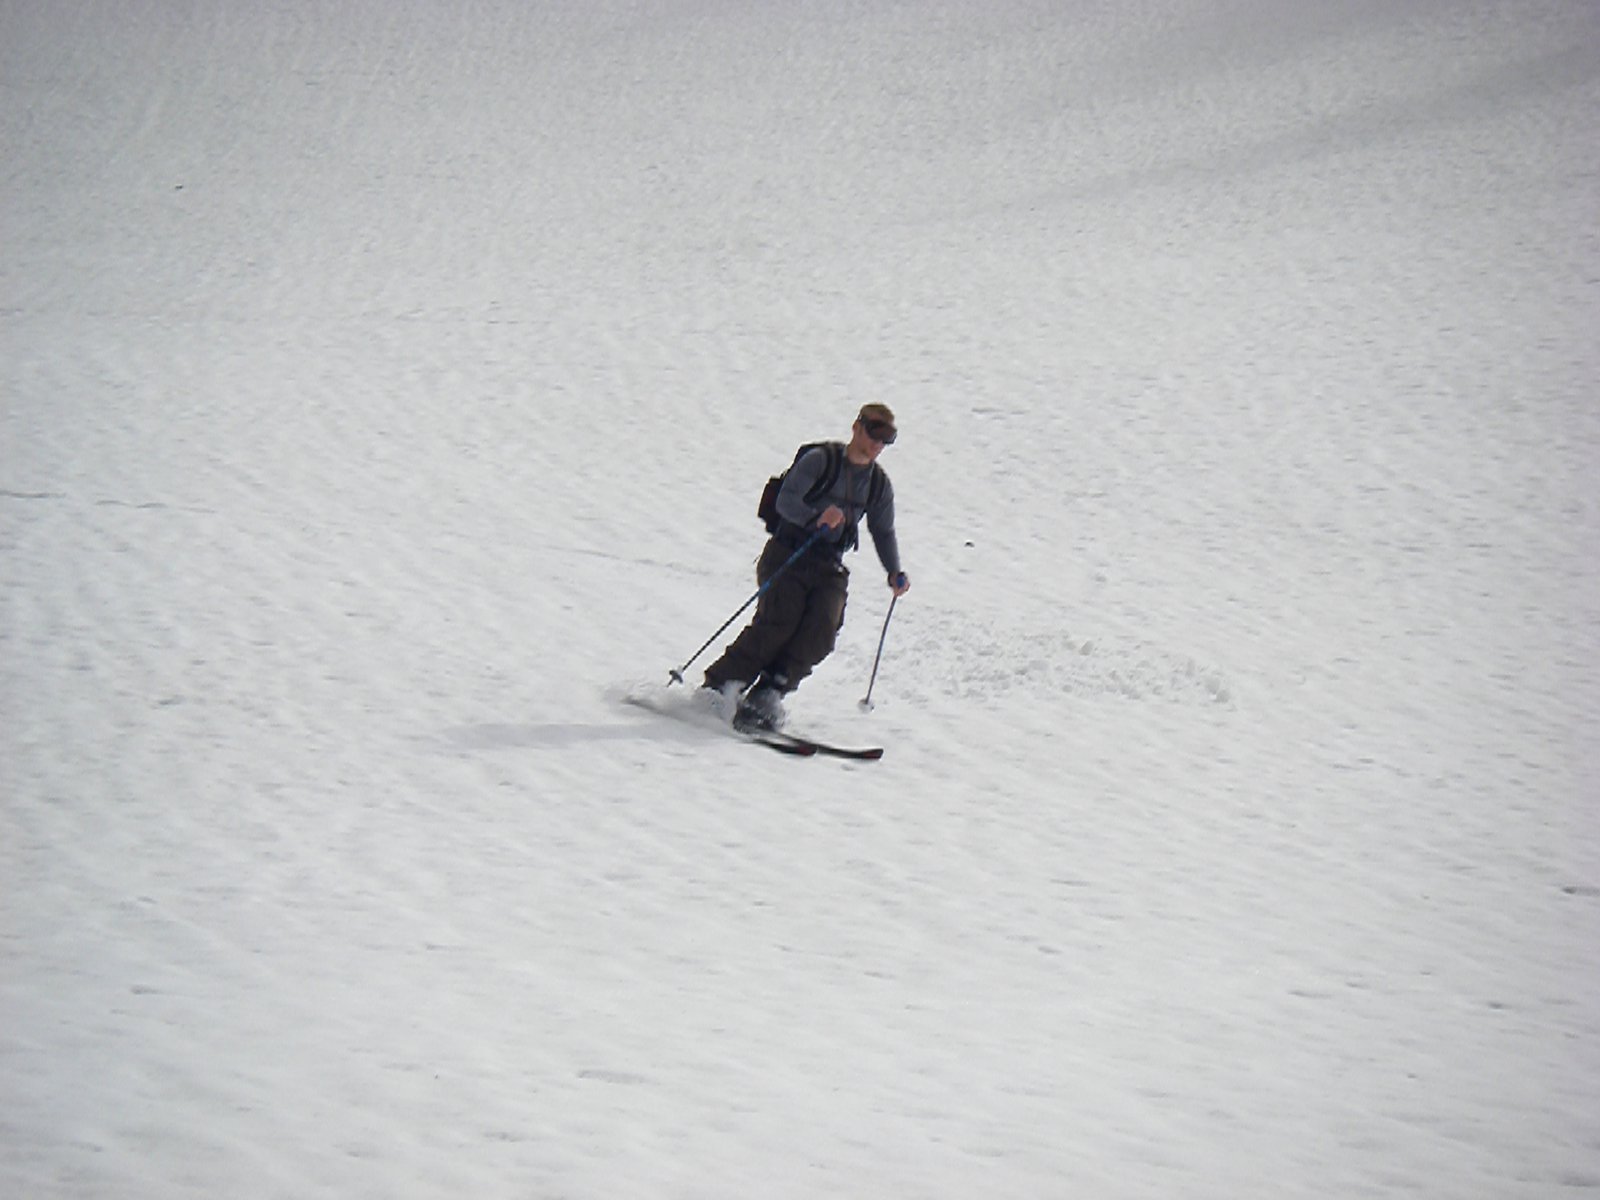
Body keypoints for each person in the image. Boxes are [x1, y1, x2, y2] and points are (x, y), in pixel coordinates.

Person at [702, 404, 910, 731]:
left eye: (887, 438)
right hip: (788, 552)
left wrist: (894, 570)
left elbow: (883, 530)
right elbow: (786, 501)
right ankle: (719, 686)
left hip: (828, 563)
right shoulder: (821, 460)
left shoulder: (878, 485)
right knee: (778, 622)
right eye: (874, 432)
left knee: (823, 631)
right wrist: (817, 517)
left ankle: (770, 692)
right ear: (857, 427)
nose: (877, 444)